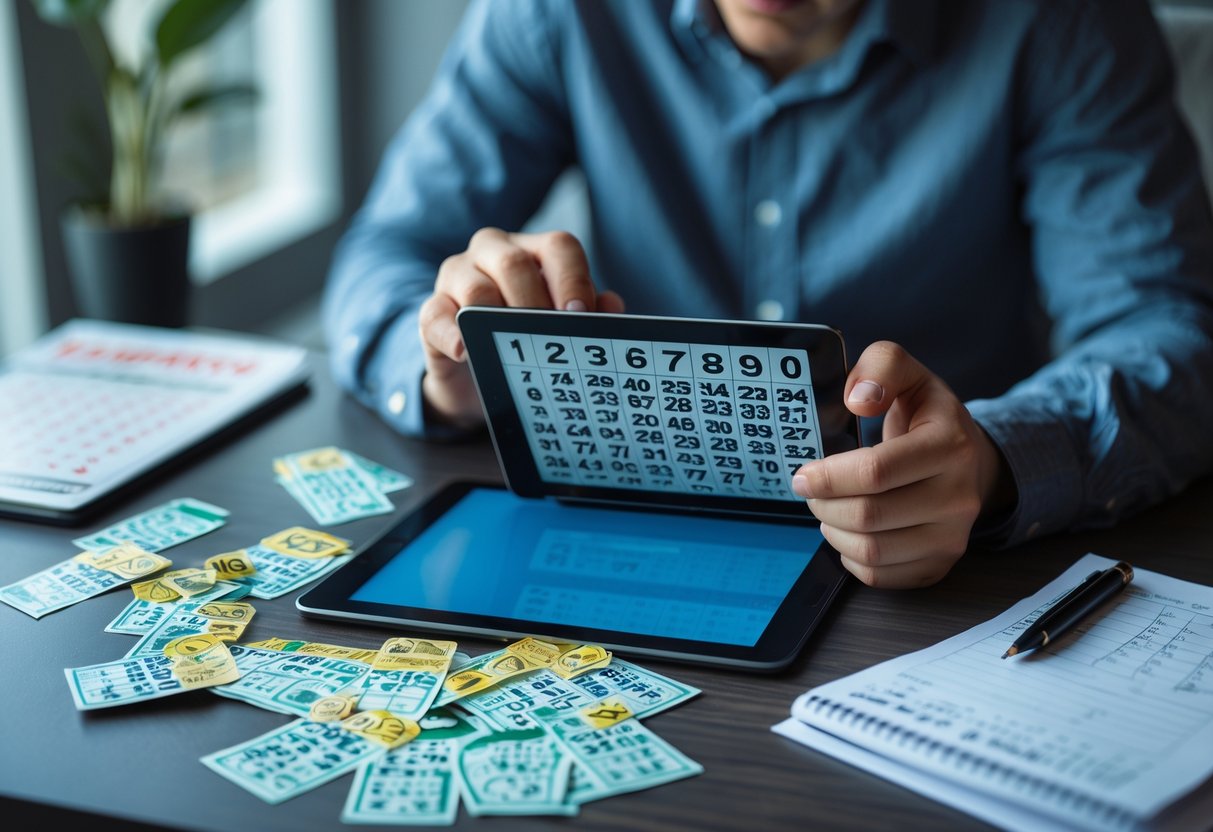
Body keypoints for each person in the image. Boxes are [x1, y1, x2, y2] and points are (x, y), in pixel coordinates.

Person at [323, 0, 1213, 589]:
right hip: (617, 531)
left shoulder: (1066, 20)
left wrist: (991, 461)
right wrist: (449, 362)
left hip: (942, 578)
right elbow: (387, 252)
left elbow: (1167, 329)